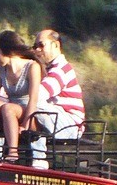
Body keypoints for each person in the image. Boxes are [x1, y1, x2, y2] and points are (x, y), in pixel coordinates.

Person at [28, 28, 85, 167]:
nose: (37, 50)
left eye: (41, 45)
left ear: (56, 45)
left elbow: (40, 94)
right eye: (35, 46)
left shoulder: (61, 69)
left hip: (70, 125)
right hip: (57, 119)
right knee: (28, 105)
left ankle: (39, 158)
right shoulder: (48, 70)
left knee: (33, 103)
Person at [0, 30, 41, 159]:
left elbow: (33, 100)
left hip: (30, 113)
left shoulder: (32, 67)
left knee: (8, 108)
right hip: (10, 109)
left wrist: (25, 125)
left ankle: (13, 153)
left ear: (8, 51)